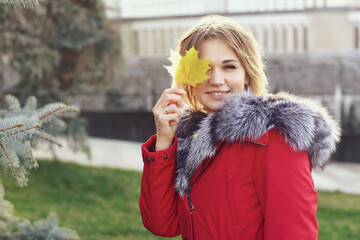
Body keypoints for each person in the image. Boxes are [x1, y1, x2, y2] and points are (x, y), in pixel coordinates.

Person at [139, 15, 340, 240]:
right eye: (204, 68)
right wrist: (164, 141)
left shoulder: (274, 139)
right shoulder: (191, 141)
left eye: (229, 67)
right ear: (187, 78)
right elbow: (162, 225)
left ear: (246, 73)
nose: (216, 79)